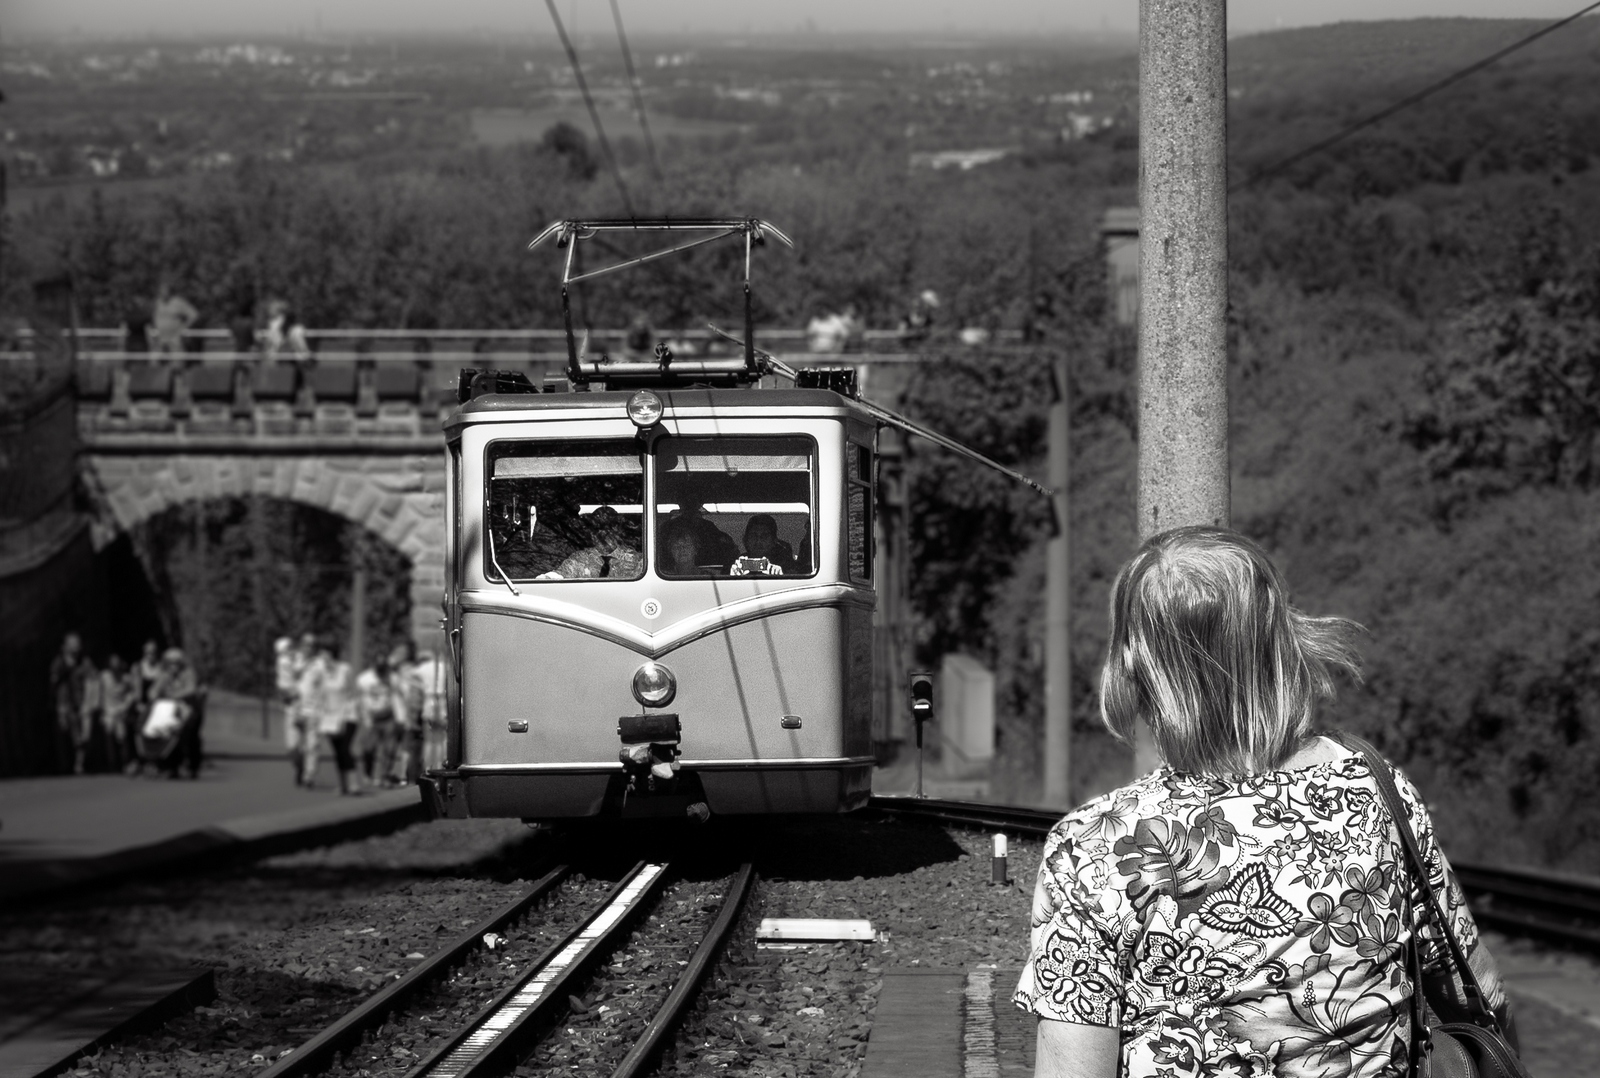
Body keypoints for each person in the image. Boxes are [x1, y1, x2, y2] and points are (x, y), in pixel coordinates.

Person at [1014, 526, 1514, 1078]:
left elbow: (1073, 1068)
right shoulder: (1375, 791)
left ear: (1135, 666)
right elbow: (1479, 992)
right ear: (1282, 640)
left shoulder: (1094, 847)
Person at [543, 506, 643, 580]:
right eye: (597, 528)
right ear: (591, 533)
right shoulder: (581, 559)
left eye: (609, 527)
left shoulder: (637, 560)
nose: (603, 533)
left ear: (618, 530)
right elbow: (562, 574)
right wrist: (549, 577)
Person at [153, 648, 204, 779]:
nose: (173, 665)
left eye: (176, 662)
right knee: (166, 736)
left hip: (188, 710)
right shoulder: (164, 675)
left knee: (189, 738)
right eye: (169, 662)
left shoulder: (188, 673)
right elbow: (153, 692)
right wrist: (162, 684)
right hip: (169, 711)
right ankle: (169, 766)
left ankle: (192, 766)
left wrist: (174, 695)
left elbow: (191, 690)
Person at [49, 633, 93, 774]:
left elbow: (93, 679)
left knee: (82, 736)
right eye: (73, 643)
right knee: (65, 732)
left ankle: (79, 764)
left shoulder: (84, 662)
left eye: (78, 643)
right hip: (64, 703)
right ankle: (64, 765)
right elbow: (53, 681)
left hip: (81, 702)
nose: (77, 646)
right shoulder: (59, 662)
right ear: (65, 646)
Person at [356, 653, 398, 788]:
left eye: (383, 666)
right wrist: (364, 717)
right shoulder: (364, 679)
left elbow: (397, 697)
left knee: (389, 749)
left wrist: (400, 717)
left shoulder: (392, 678)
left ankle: (384, 776)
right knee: (369, 748)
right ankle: (368, 773)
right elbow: (360, 700)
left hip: (388, 717)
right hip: (371, 718)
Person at [100, 654, 141, 775]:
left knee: (122, 737)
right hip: (108, 712)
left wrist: (125, 706)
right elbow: (100, 695)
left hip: (121, 711)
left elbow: (133, 693)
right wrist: (103, 712)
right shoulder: (104, 677)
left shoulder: (126, 678)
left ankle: (125, 763)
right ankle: (112, 764)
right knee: (109, 734)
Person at [730, 513, 795, 576]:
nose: (758, 541)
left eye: (764, 536)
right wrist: (733, 576)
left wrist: (781, 576)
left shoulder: (786, 564)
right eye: (753, 536)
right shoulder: (736, 563)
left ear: (774, 541)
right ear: (746, 539)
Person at [152, 281, 199, 355]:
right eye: (161, 291)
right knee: (157, 361)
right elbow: (155, 316)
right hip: (161, 336)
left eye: (165, 291)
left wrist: (184, 327)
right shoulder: (158, 302)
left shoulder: (178, 302)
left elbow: (194, 315)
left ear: (170, 291)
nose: (163, 293)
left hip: (175, 336)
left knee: (176, 360)